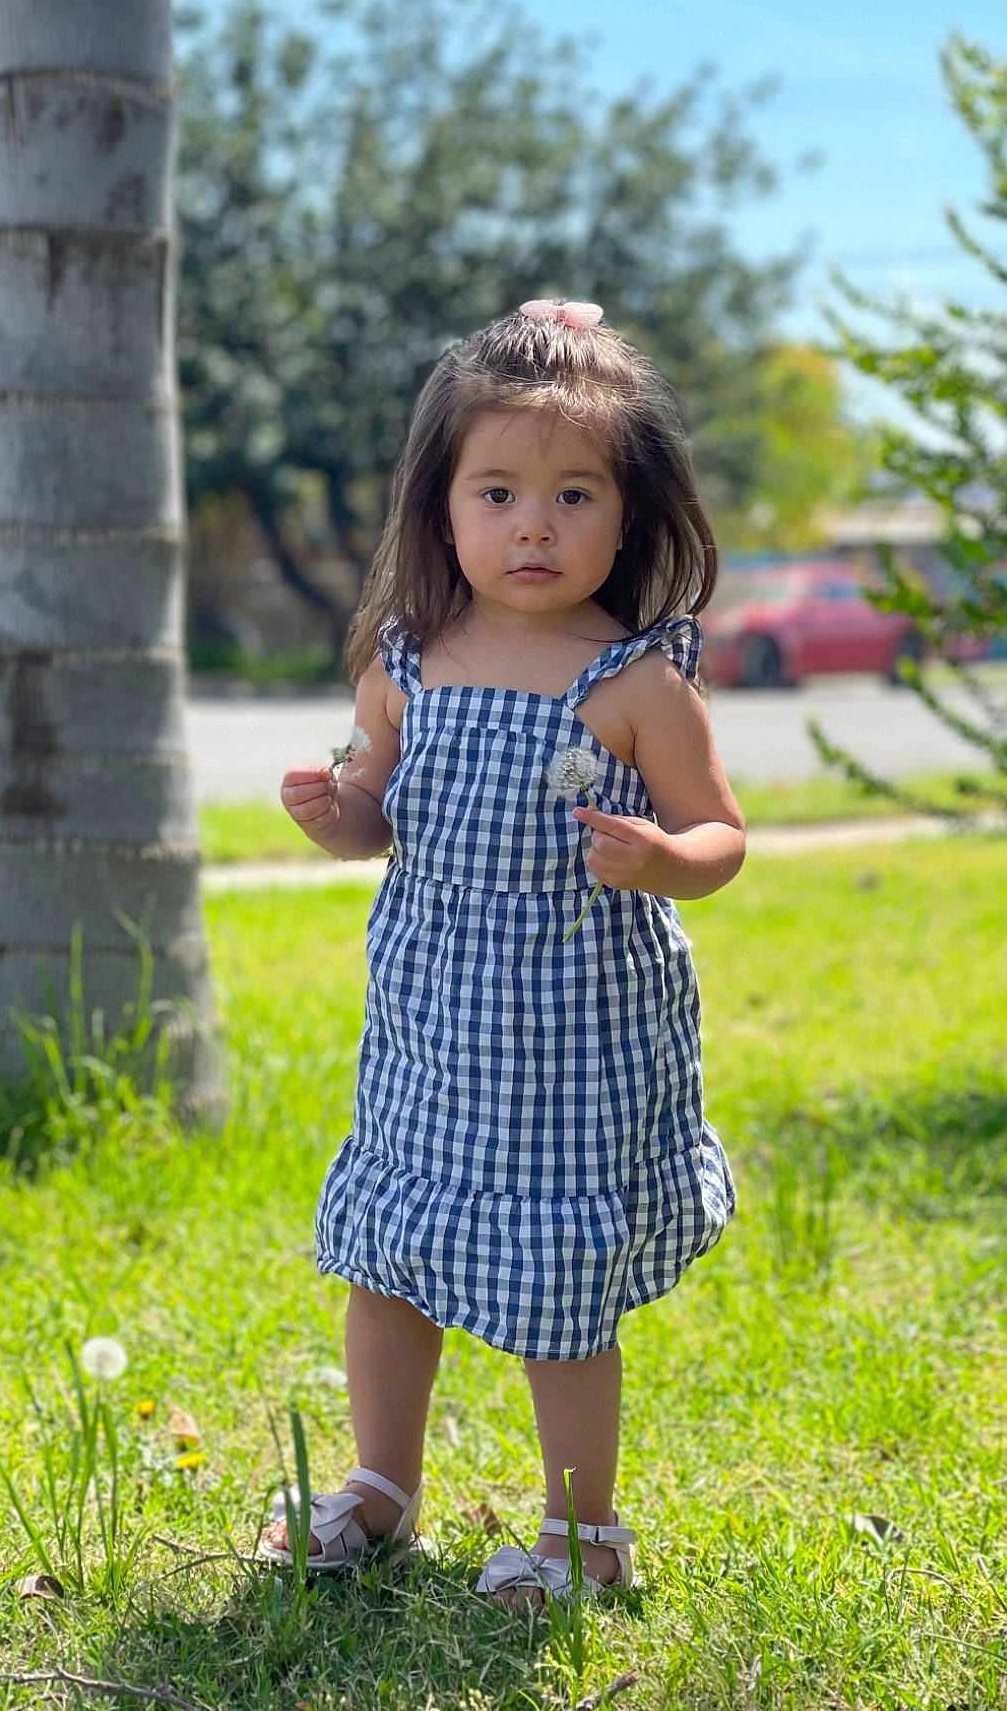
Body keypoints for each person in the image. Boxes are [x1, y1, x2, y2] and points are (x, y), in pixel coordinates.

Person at [259, 299, 744, 1606]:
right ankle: (380, 1485)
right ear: (444, 508)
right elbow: (375, 810)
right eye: (500, 492)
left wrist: (662, 855)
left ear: (630, 516)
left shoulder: (636, 682)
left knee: (558, 1293)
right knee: (387, 1258)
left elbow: (721, 836)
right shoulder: (407, 663)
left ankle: (583, 1531)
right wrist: (337, 815)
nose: (535, 524)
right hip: (430, 1030)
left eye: (575, 493)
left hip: (576, 1047)